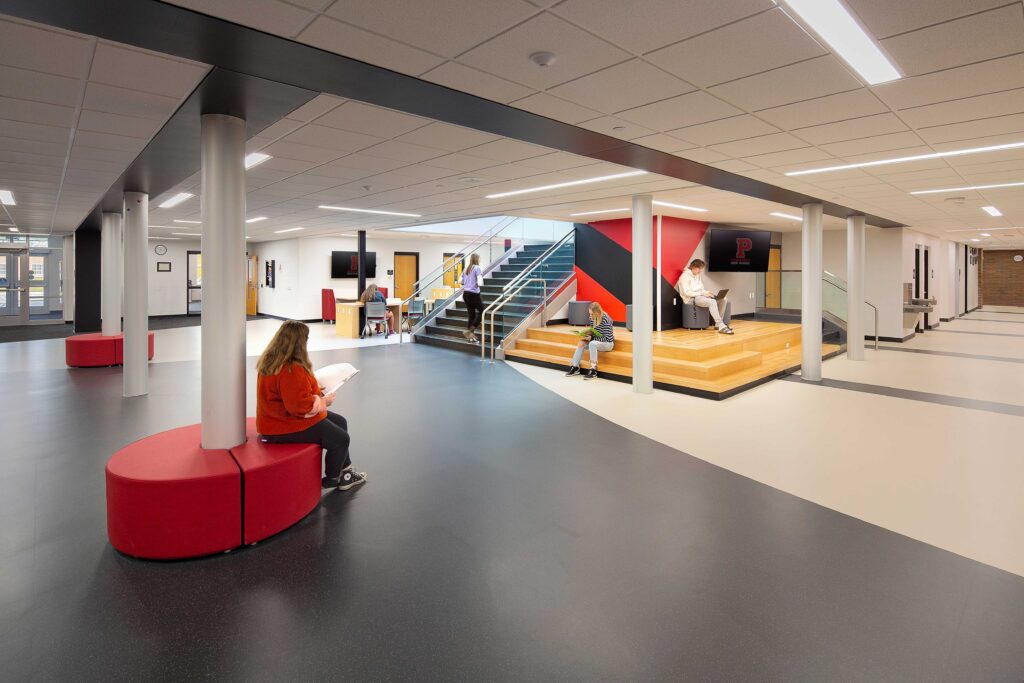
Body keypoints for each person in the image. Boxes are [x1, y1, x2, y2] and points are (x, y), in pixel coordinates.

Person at [256, 320, 367, 491]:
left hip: (276, 419)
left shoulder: (272, 361)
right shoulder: (291, 369)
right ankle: (333, 478)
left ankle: (346, 471)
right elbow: (301, 408)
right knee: (341, 439)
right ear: (299, 342)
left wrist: (313, 391)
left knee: (340, 422)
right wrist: (324, 401)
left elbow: (291, 395)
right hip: (283, 426)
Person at [676, 259, 734, 335]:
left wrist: (707, 292)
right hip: (691, 299)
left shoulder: (697, 275)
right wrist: (702, 294)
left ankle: (717, 325)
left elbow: (701, 289)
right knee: (712, 302)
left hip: (699, 296)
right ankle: (721, 325)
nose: (700, 271)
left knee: (723, 299)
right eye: (699, 268)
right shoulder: (684, 277)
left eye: (701, 269)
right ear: (693, 267)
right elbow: (687, 293)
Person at [566, 302, 615, 380]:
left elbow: (607, 338)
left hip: (608, 344)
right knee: (581, 342)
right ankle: (575, 367)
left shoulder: (606, 319)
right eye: (590, 314)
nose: (590, 316)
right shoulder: (592, 319)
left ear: (598, 312)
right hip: (597, 341)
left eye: (592, 314)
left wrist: (591, 339)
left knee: (592, 343)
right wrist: (587, 335)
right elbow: (594, 331)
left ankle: (593, 369)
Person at [460, 253, 483, 342]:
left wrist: (467, 282)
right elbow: (480, 282)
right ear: (477, 259)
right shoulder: (477, 268)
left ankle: (471, 337)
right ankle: (469, 330)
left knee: (471, 315)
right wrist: (478, 283)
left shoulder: (466, 268)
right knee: (482, 311)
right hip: (474, 294)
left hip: (466, 294)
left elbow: (460, 281)